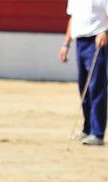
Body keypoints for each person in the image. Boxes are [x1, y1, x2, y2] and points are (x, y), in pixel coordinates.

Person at [59, 0, 108, 146]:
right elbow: (73, 19)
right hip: (80, 41)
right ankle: (87, 129)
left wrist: (105, 32)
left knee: (96, 87)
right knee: (84, 87)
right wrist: (66, 44)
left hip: (97, 40)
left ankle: (97, 133)